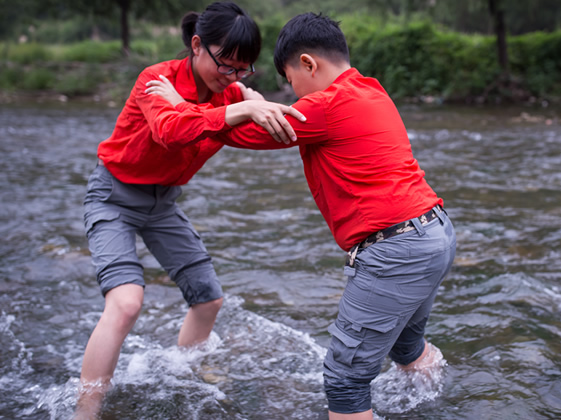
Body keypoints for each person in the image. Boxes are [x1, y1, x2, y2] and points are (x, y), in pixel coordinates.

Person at [148, 12, 457, 419]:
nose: (294, 94)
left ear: (309, 64)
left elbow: (241, 132)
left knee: (344, 380)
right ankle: (441, 404)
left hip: (395, 249)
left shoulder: (326, 107)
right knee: (407, 347)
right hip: (434, 235)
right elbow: (287, 116)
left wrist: (180, 105)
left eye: (292, 81)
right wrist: (255, 103)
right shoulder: (370, 91)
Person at [75, 2, 305, 418]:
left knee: (208, 301)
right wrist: (241, 107)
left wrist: (257, 105)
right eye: (226, 64)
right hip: (114, 196)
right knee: (126, 302)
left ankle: (183, 374)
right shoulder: (156, 79)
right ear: (197, 45)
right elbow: (170, 132)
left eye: (242, 69)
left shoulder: (231, 94)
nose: (232, 76)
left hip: (164, 204)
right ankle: (85, 411)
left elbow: (269, 132)